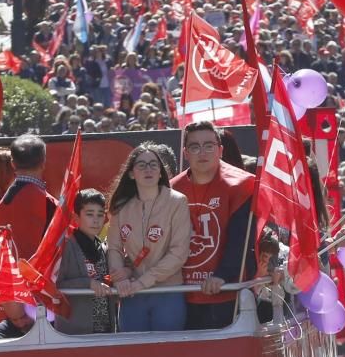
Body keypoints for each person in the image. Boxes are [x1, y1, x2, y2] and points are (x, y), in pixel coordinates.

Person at [171, 121, 255, 330]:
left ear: (220, 150)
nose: (202, 152)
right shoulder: (171, 189)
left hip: (226, 292)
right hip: (180, 294)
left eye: (209, 145)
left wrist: (222, 275)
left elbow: (241, 239)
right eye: (194, 146)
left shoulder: (241, 185)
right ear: (185, 152)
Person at [107, 143, 191, 331]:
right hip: (132, 295)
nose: (149, 169)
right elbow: (113, 248)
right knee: (133, 355)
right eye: (142, 165)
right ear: (131, 173)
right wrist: (120, 278)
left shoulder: (177, 201)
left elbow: (178, 253)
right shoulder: (121, 207)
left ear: (161, 172)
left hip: (168, 292)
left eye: (154, 164)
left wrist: (142, 282)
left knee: (166, 354)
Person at [0, 134, 58, 330]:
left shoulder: (2, 204)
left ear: (12, 163)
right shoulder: (48, 203)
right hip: (41, 301)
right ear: (44, 162)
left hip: (10, 300)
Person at [55, 189, 116, 334]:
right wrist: (88, 284)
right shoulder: (66, 246)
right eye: (89, 214)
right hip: (75, 332)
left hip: (105, 329)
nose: (96, 220)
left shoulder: (104, 247)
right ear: (76, 218)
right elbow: (56, 285)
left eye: (100, 215)